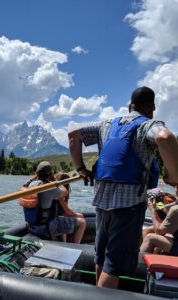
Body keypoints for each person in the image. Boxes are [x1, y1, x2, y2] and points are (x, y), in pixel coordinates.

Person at [68, 86, 178, 289]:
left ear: (130, 106)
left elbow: (74, 134)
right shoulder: (148, 125)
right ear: (151, 108)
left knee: (101, 258)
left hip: (101, 204)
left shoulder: (107, 124)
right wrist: (174, 176)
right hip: (128, 207)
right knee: (114, 266)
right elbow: (165, 137)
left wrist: (81, 168)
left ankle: (96, 293)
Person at [20, 161, 85, 243]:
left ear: (37, 173)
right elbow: (65, 191)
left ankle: (63, 242)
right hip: (47, 228)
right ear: (50, 174)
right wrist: (54, 179)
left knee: (60, 219)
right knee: (82, 222)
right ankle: (75, 247)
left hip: (31, 226)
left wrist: (35, 176)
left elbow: (25, 183)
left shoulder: (28, 186)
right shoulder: (50, 188)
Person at [140, 189, 178, 256]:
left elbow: (159, 231)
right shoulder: (175, 206)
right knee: (147, 230)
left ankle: (140, 264)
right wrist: (160, 203)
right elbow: (170, 214)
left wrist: (152, 210)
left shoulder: (175, 209)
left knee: (151, 238)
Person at [55, 172, 86, 242]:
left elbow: (64, 210)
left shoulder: (57, 191)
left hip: (59, 215)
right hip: (58, 217)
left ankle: (69, 241)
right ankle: (74, 244)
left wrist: (77, 215)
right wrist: (77, 215)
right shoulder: (61, 195)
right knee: (82, 222)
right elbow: (67, 211)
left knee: (80, 216)